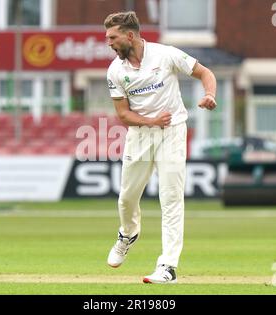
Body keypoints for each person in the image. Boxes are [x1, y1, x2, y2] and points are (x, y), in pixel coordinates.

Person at [104, 11, 217, 284]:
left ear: (130, 35)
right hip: (140, 135)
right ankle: (128, 233)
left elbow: (204, 72)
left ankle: (168, 266)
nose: (108, 42)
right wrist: (150, 121)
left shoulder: (165, 54)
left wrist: (210, 94)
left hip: (172, 131)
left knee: (171, 199)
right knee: (127, 199)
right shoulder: (115, 70)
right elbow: (123, 114)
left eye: (112, 37)